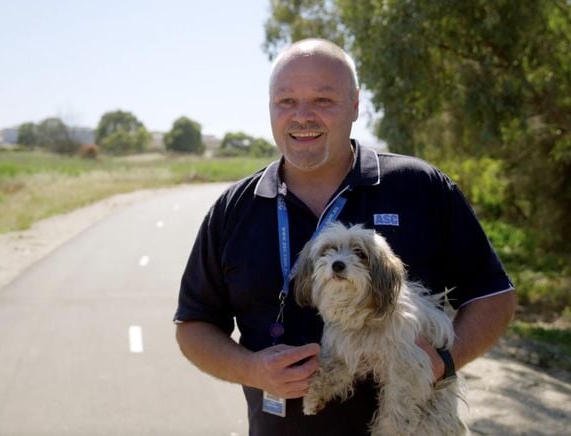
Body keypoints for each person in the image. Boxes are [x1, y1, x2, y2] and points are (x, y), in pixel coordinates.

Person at [173, 38, 516, 435]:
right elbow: (193, 325)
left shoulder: (419, 186)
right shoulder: (235, 209)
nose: (303, 116)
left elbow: (494, 296)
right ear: (270, 108)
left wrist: (443, 362)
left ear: (355, 106)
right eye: (286, 101)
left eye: (323, 100)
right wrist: (251, 369)